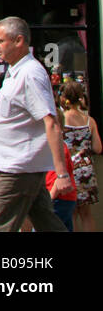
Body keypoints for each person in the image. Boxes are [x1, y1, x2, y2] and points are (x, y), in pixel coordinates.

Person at [0, 16, 70, 231]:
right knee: (46, 222)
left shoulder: (30, 74)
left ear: (18, 41)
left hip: (18, 167)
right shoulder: (15, 70)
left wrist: (62, 173)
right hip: (22, 164)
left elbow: (52, 122)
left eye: (0, 41)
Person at [58, 79, 100, 232]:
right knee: (87, 214)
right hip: (87, 170)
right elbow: (98, 147)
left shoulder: (62, 119)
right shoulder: (90, 121)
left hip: (70, 169)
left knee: (72, 212)